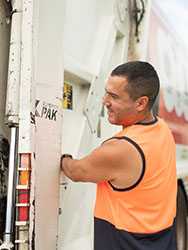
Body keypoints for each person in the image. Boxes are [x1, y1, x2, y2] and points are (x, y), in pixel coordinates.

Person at [61, 61, 177, 250]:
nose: (104, 101)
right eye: (106, 92)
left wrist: (62, 158)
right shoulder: (162, 129)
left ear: (141, 103)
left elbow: (76, 171)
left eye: (113, 96)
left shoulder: (121, 149)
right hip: (162, 242)